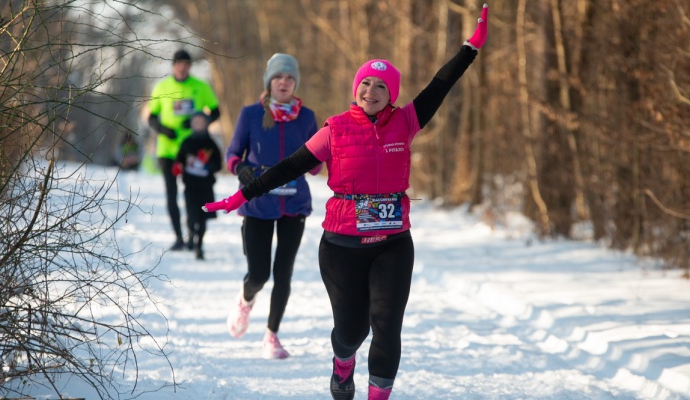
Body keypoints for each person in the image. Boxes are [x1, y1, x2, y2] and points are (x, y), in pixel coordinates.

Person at [204, 5, 488, 399]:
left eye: (381, 87)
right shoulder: (334, 130)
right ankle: (342, 364)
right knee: (352, 331)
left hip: (392, 242)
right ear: (356, 88)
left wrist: (469, 49)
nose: (371, 92)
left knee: (387, 325)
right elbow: (289, 167)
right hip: (342, 246)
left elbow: (441, 84)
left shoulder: (406, 122)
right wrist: (240, 195)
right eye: (365, 84)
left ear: (392, 95)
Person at [223, 53, 320, 359]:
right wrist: (241, 169)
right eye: (279, 77)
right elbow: (233, 153)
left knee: (284, 273)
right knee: (259, 274)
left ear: (296, 83)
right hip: (258, 202)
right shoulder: (251, 114)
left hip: (294, 204)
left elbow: (317, 163)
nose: (284, 83)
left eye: (290, 78)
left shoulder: (307, 118)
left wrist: (322, 157)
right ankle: (245, 301)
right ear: (269, 81)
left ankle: (271, 336)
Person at [148, 49, 221, 251]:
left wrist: (199, 123)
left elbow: (215, 112)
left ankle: (194, 233)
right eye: (179, 63)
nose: (182, 67)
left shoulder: (200, 87)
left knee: (194, 193)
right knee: (171, 193)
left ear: (190, 66)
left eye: (186, 63)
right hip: (168, 150)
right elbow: (151, 117)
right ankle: (179, 236)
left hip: (193, 151)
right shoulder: (162, 87)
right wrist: (163, 129)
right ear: (173, 66)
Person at [172, 112, 222, 260]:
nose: (198, 124)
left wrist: (208, 163)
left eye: (201, 122)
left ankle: (199, 246)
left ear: (207, 124)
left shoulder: (211, 144)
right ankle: (191, 234)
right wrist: (178, 167)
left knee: (203, 218)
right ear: (192, 124)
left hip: (206, 187)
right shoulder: (187, 142)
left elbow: (218, 165)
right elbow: (179, 160)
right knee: (191, 215)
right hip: (190, 186)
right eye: (196, 122)